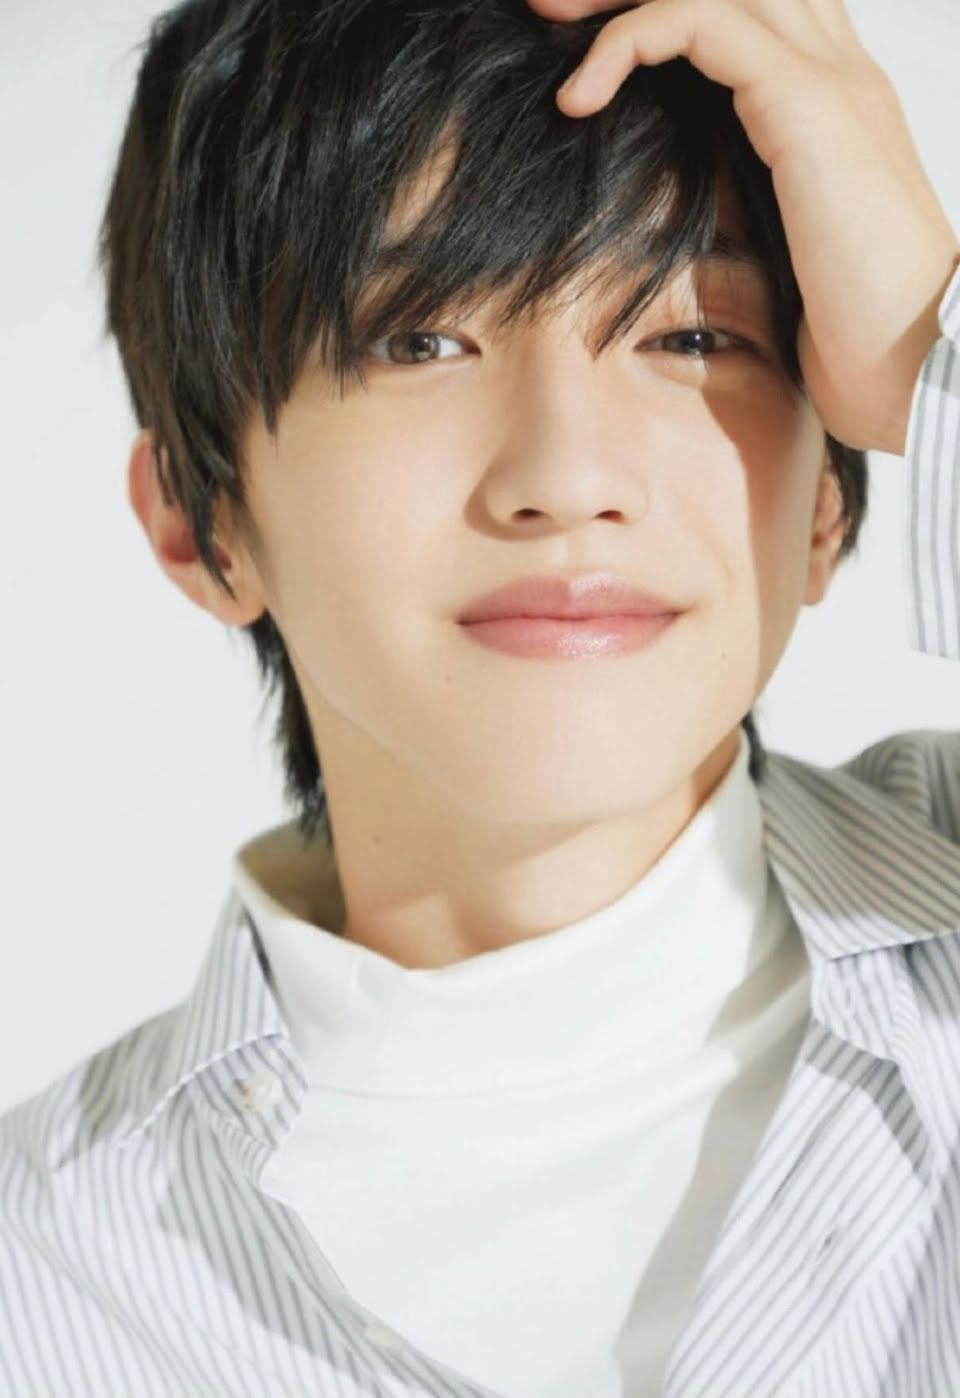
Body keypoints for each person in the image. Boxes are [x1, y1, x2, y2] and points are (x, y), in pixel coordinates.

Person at [2, 0, 959, 1394]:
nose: (568, 477)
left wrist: (933, 348)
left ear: (830, 498)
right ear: (204, 522)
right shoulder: (42, 1279)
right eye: (420, 341)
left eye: (694, 336)